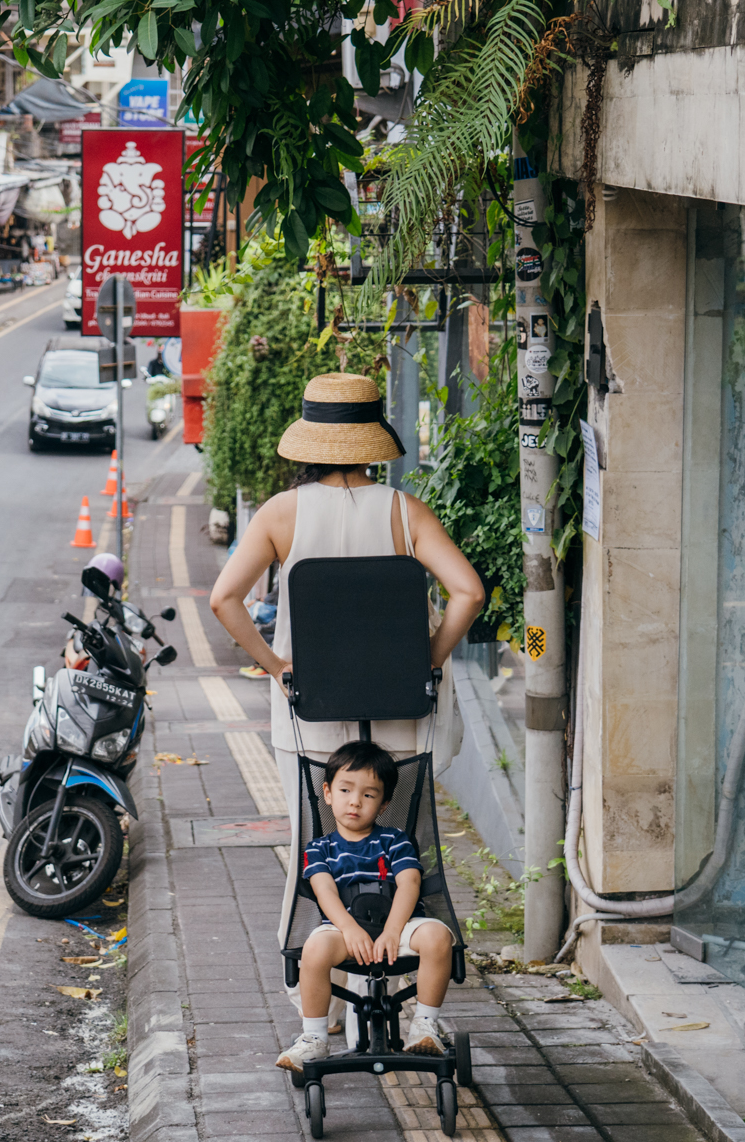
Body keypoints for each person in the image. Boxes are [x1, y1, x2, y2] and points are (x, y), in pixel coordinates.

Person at [209, 372, 485, 972]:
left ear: (308, 442)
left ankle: (318, 988)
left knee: (316, 842)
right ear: (372, 438)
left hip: (310, 714)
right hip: (400, 707)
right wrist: (429, 658)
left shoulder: (281, 513)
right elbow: (468, 591)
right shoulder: (405, 512)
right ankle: (408, 982)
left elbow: (224, 599)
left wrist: (278, 667)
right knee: (404, 846)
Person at [276, 742, 455, 1071]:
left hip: (398, 925)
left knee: (438, 937)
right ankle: (314, 1037)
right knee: (314, 947)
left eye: (369, 795)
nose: (355, 801)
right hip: (346, 927)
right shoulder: (319, 848)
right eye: (345, 790)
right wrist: (348, 928)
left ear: (384, 804)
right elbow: (323, 890)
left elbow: (409, 883)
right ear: (327, 793)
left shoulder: (395, 840)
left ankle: (424, 1027)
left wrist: (392, 930)